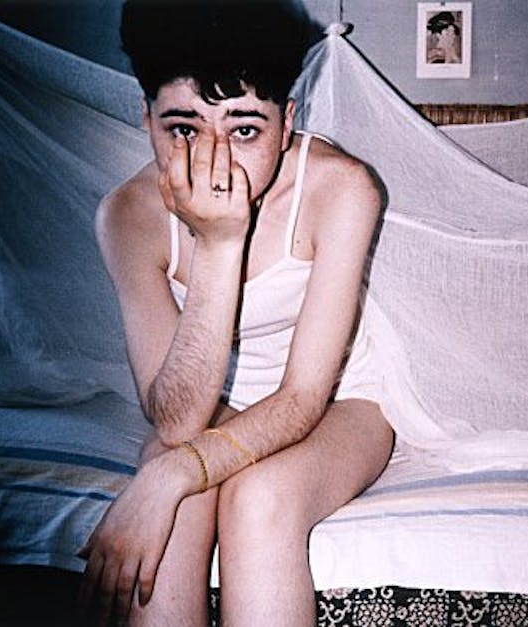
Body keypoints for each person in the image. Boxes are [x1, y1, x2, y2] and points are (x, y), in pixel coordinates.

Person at [77, 1, 394, 625]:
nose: (215, 161)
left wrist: (171, 474)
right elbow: (176, 420)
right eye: (184, 129)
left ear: (287, 121)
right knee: (174, 514)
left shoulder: (343, 189)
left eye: (244, 130)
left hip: (342, 405)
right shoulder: (127, 216)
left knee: (259, 500)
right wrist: (220, 246)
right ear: (145, 119)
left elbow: (303, 397)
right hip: (210, 406)